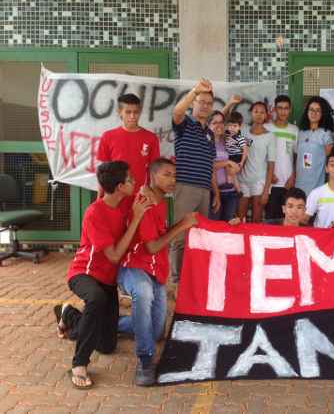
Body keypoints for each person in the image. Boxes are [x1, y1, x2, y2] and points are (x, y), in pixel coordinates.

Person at [55, 161, 152, 388]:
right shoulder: (95, 213)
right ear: (119, 186)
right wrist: (136, 218)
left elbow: (146, 192)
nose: (134, 182)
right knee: (96, 299)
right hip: (84, 274)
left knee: (107, 345)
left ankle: (69, 315)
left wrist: (147, 195)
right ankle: (79, 364)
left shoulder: (125, 201)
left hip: (107, 280)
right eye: (130, 180)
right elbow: (115, 256)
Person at [117, 158, 197, 386]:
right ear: (152, 176)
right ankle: (145, 361)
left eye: (174, 175)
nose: (172, 180)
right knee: (143, 294)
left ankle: (102, 324)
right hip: (134, 266)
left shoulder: (161, 201)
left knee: (157, 330)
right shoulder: (144, 200)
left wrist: (182, 222)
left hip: (155, 269)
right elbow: (152, 246)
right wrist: (182, 226)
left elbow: (160, 237)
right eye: (166, 175)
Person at [170, 79, 220, 283]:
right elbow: (176, 112)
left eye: (209, 103)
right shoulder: (184, 124)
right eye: (201, 101)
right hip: (185, 188)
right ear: (193, 102)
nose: (205, 106)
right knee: (180, 237)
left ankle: (191, 279)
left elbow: (210, 165)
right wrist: (194, 90)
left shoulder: (209, 133)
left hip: (204, 191)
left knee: (198, 236)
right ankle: (176, 281)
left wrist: (215, 192)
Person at [97, 93, 160, 202]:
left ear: (140, 112)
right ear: (120, 112)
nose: (132, 116)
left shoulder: (151, 138)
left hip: (140, 197)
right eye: (128, 112)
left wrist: (153, 195)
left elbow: (154, 171)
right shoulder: (107, 136)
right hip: (114, 197)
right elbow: (102, 172)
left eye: (135, 112)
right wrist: (100, 196)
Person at [238, 101, 276, 223]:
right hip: (242, 180)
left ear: (266, 115)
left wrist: (266, 190)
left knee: (256, 219)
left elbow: (271, 164)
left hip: (259, 182)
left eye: (262, 112)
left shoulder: (270, 136)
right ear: (251, 113)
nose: (259, 115)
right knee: (239, 218)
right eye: (256, 111)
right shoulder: (243, 130)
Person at [265, 95, 299, 220]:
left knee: (286, 221)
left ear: (290, 110)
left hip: (288, 184)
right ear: (274, 109)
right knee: (271, 220)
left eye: (286, 108)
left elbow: (296, 156)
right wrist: (269, 175)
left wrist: (293, 176)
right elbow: (261, 155)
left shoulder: (294, 130)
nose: (283, 111)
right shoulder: (267, 128)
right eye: (280, 108)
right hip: (271, 184)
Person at [295, 96, 334, 195]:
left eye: (318, 110)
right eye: (311, 109)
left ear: (323, 113)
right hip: (299, 183)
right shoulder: (300, 132)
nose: (314, 113)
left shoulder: (326, 134)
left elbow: (330, 161)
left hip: (318, 185)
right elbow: (297, 157)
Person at [208, 111, 240, 221]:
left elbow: (237, 164)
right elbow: (209, 165)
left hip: (230, 191)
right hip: (213, 192)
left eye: (221, 122)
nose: (218, 125)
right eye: (214, 122)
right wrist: (227, 163)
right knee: (215, 227)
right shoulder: (206, 142)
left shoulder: (227, 142)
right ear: (208, 125)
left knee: (229, 227)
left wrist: (234, 168)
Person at [230, 187, 307, 227]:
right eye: (290, 206)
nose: (294, 211)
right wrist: (238, 226)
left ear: (304, 210)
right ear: (283, 209)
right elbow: (250, 233)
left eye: (299, 207)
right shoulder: (268, 226)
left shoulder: (310, 232)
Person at [224, 111, 249, 193]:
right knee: (232, 174)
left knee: (230, 172)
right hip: (229, 157)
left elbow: (245, 150)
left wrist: (241, 162)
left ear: (240, 126)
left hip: (236, 157)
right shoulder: (226, 136)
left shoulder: (240, 138)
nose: (232, 128)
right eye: (230, 125)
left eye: (235, 126)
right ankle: (238, 190)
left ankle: (231, 185)